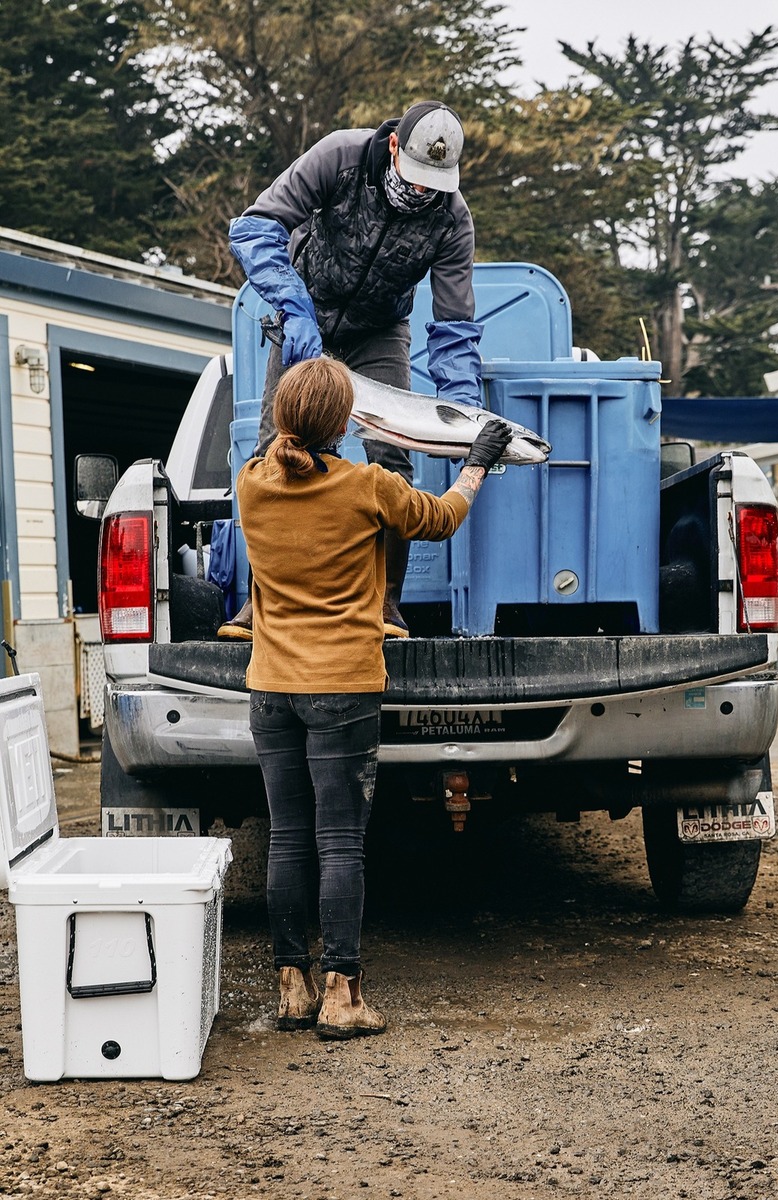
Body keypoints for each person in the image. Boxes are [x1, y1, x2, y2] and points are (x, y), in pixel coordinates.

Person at [238, 355, 510, 1039]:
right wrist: (477, 459)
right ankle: (344, 995)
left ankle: (291, 989)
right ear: (347, 423)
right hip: (343, 685)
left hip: (271, 687)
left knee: (289, 839)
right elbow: (444, 517)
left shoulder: (251, 484)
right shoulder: (369, 486)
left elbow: (285, 454)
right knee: (340, 844)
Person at [219, 99, 482, 642]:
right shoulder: (338, 156)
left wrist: (462, 417)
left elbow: (455, 327)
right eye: (416, 178)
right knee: (276, 450)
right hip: (304, 312)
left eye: (436, 183)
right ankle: (261, 604)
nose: (423, 192)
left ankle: (386, 606)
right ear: (393, 148)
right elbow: (254, 228)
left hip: (379, 331)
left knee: (393, 458)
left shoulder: (453, 221)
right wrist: (293, 308)